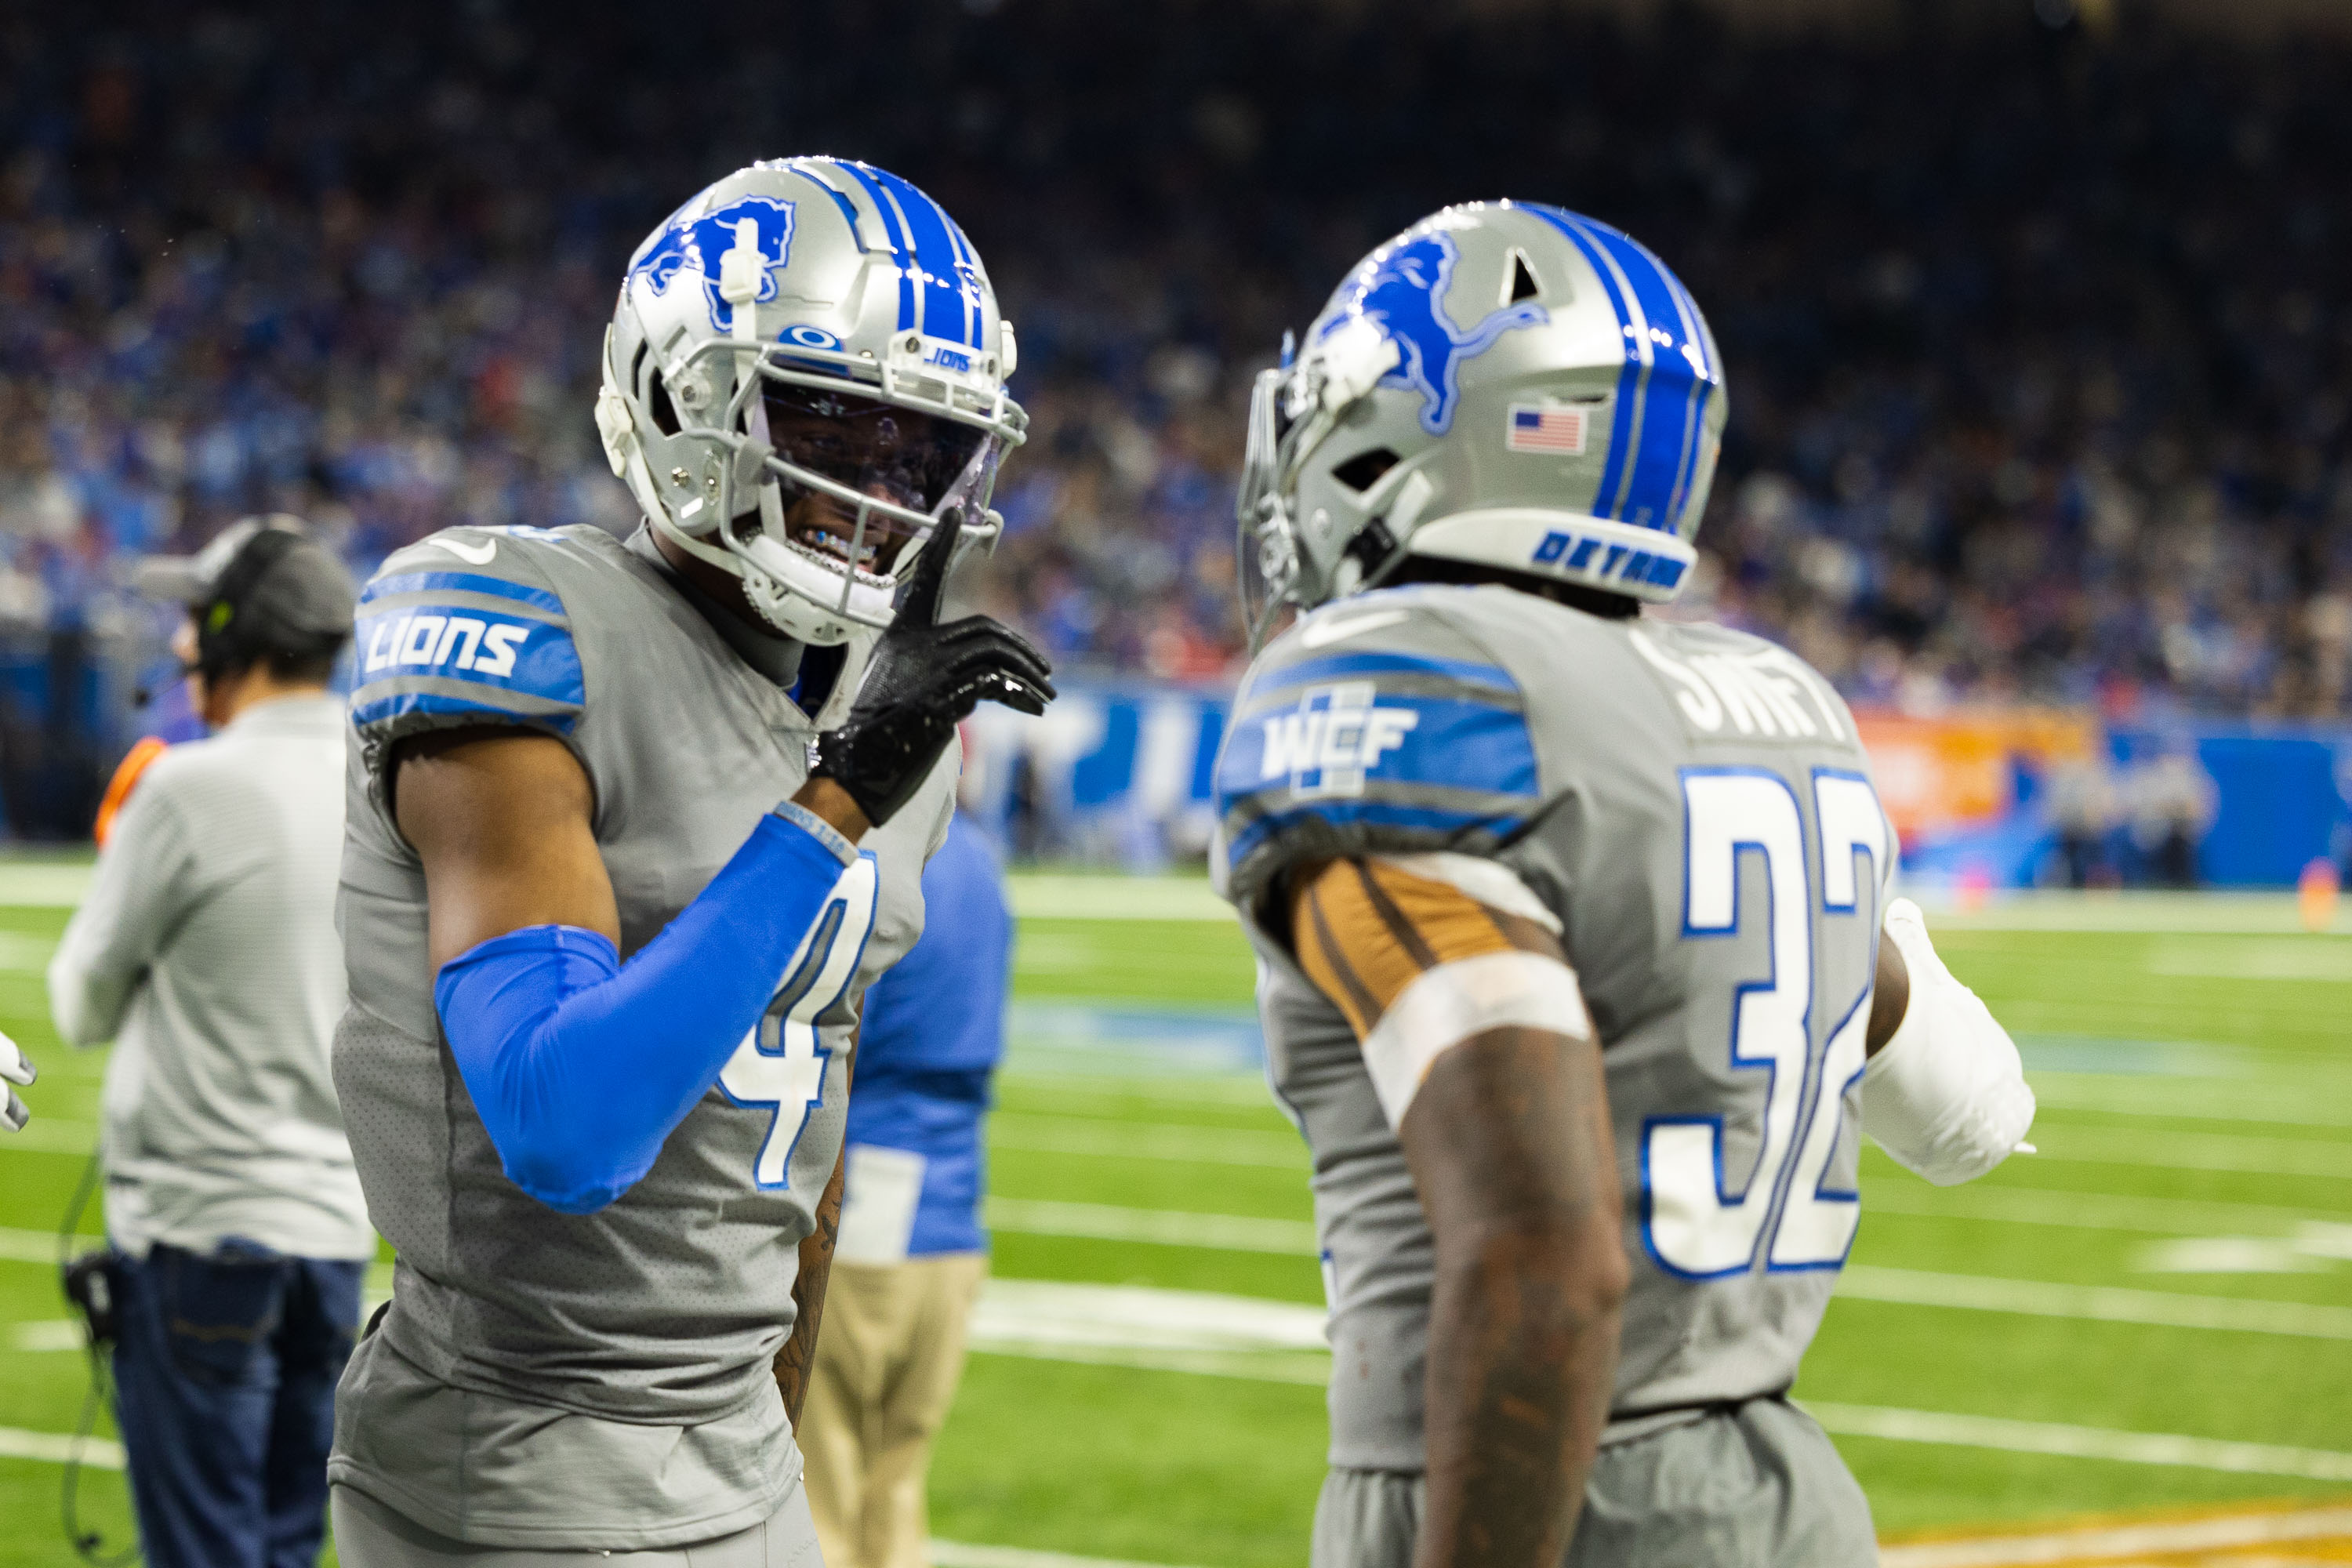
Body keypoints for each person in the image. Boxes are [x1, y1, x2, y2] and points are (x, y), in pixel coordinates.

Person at [1211, 202, 2037, 1568]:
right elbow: (1972, 1113)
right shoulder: (1780, 702)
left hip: (1539, 1485)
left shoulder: (1409, 692)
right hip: (1787, 1501)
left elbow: (1543, 1256)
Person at [325, 159, 1052, 1566]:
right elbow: (562, 1123)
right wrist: (833, 802)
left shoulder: (879, 709)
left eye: (920, 454)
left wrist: (777, 1424)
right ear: (685, 400)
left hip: (739, 1449)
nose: (880, 494)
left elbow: (811, 1110)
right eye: (838, 429)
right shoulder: (524, 620)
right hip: (525, 1449)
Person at [45, 515, 374, 1568]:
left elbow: (79, 1007)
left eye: (197, 617)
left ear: (238, 630)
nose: (183, 643)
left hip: (201, 1231)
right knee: (284, 1544)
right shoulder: (388, 784)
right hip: (334, 1233)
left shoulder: (185, 790)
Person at [801, 800, 1013, 1568]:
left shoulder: (880, 862)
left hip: (861, 1212)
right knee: (893, 1507)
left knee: (817, 1510)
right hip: (953, 1217)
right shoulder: (981, 860)